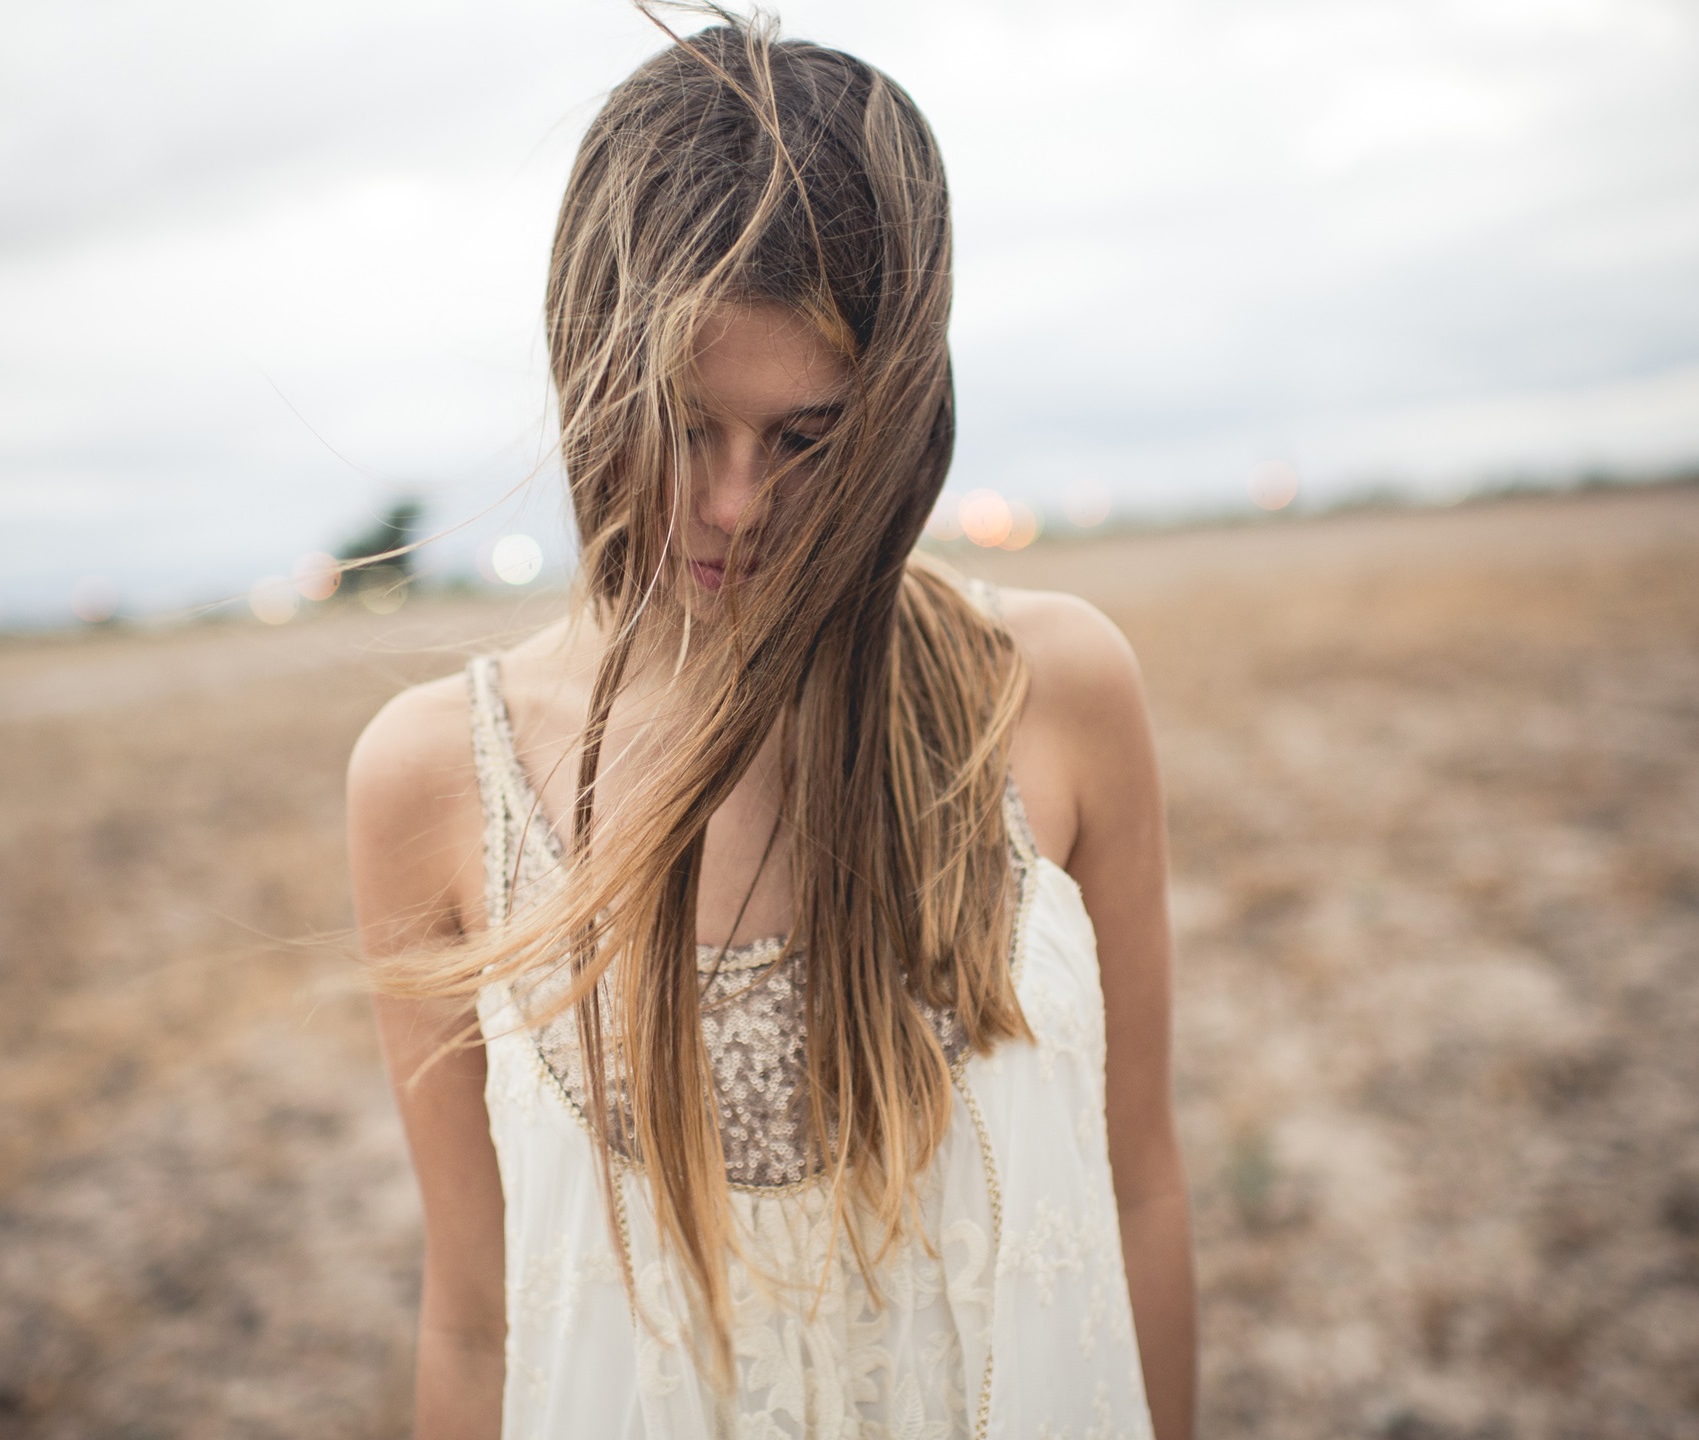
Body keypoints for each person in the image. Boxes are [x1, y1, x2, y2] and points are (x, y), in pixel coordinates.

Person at [346, 14, 1195, 1436]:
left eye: (807, 437)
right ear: (584, 373)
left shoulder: (1047, 695)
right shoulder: (433, 778)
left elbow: (1143, 1188)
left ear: (901, 409)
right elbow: (475, 1319)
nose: (735, 505)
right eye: (681, 422)